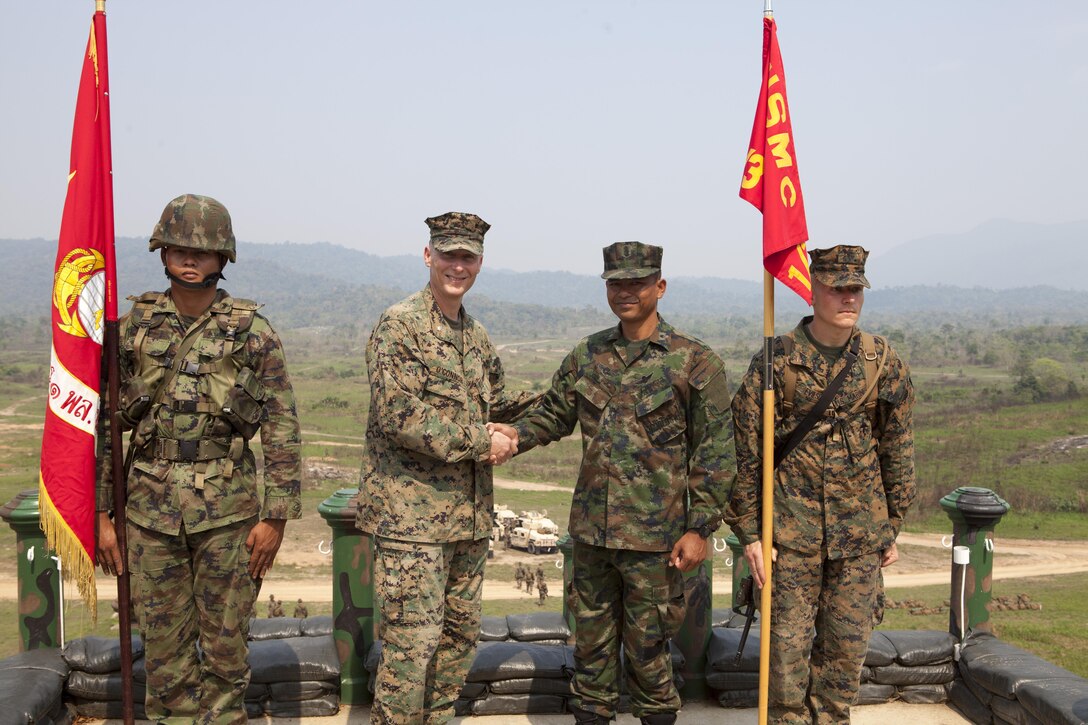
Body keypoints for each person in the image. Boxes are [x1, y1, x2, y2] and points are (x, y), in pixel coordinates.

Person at [491, 241, 733, 725]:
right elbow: (554, 413)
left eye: (637, 283)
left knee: (650, 658)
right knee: (590, 658)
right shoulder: (588, 354)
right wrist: (515, 436)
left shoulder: (694, 361)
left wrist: (700, 528)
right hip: (593, 540)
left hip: (656, 544)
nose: (625, 292)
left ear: (660, 287)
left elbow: (716, 453)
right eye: (616, 283)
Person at [95, 194, 303, 722]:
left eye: (202, 251)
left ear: (222, 257)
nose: (190, 259)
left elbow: (281, 428)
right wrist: (101, 513)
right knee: (164, 659)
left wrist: (276, 518)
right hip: (147, 515)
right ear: (162, 252)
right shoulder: (133, 329)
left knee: (226, 655)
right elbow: (105, 426)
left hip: (228, 517)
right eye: (179, 248)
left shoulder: (253, 333)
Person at [357, 211, 540, 725]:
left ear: (480, 263)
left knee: (457, 643)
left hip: (468, 521)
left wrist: (558, 403)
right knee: (410, 652)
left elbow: (497, 400)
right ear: (428, 256)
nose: (458, 266)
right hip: (411, 523)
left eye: (468, 257)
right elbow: (399, 414)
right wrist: (483, 440)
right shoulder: (400, 326)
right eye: (448, 255)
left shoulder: (474, 335)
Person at [725, 244, 916, 724]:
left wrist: (891, 525)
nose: (848, 298)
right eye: (836, 289)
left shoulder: (881, 361)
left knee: (844, 658)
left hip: (860, 536)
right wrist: (750, 532)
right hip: (790, 535)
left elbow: (898, 449)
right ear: (812, 291)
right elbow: (745, 452)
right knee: (785, 656)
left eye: (856, 289)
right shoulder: (777, 362)